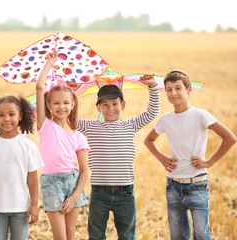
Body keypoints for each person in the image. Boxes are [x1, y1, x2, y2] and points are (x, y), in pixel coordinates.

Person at [144, 70, 237, 240]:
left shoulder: (200, 115)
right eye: (169, 89)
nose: (173, 93)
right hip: (173, 185)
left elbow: (230, 138)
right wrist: (162, 158)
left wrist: (209, 162)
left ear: (189, 90)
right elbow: (149, 140)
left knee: (202, 234)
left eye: (178, 88)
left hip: (197, 184)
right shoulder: (166, 119)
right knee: (178, 236)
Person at [74, 75, 159, 240]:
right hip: (99, 193)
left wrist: (153, 87)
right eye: (105, 105)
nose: (110, 108)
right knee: (96, 236)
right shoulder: (90, 127)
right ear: (98, 108)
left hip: (125, 192)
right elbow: (68, 119)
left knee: (127, 236)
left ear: (123, 105)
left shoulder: (130, 125)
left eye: (115, 104)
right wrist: (71, 92)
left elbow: (151, 113)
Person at [36, 52, 90, 240]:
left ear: (73, 104)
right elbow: (39, 86)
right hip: (52, 184)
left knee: (70, 234)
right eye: (56, 103)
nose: (61, 107)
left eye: (66, 102)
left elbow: (84, 171)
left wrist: (75, 197)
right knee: (60, 237)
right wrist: (49, 64)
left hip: (73, 183)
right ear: (48, 105)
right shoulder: (45, 126)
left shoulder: (78, 137)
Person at [0, 95, 44, 240]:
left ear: (20, 116)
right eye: (1, 115)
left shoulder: (28, 146)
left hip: (21, 208)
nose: (6, 119)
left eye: (11, 114)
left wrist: (33, 204)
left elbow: (32, 177)